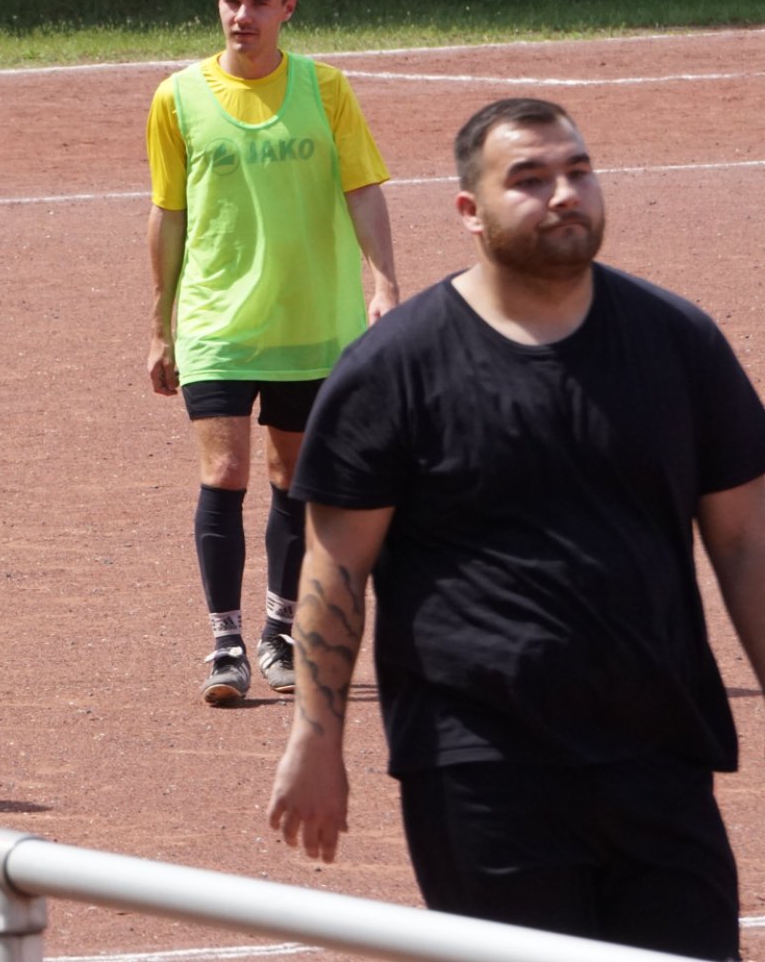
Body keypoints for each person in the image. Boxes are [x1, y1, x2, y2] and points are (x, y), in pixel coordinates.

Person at [267, 97, 765, 960]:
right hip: (482, 769)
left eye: (578, 171)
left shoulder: (677, 341)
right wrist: (316, 738)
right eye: (529, 179)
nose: (563, 193)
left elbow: (747, 543)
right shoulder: (395, 367)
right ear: (470, 210)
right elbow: (336, 564)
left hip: (660, 753)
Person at [145, 0, 400, 706]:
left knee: (293, 477)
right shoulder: (177, 97)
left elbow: (363, 189)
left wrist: (384, 281)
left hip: (312, 320)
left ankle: (278, 630)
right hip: (217, 321)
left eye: (259, 1)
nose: (242, 15)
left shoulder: (327, 90)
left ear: (288, 6)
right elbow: (168, 214)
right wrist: (160, 325)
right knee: (224, 472)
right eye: (231, 0)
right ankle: (226, 642)